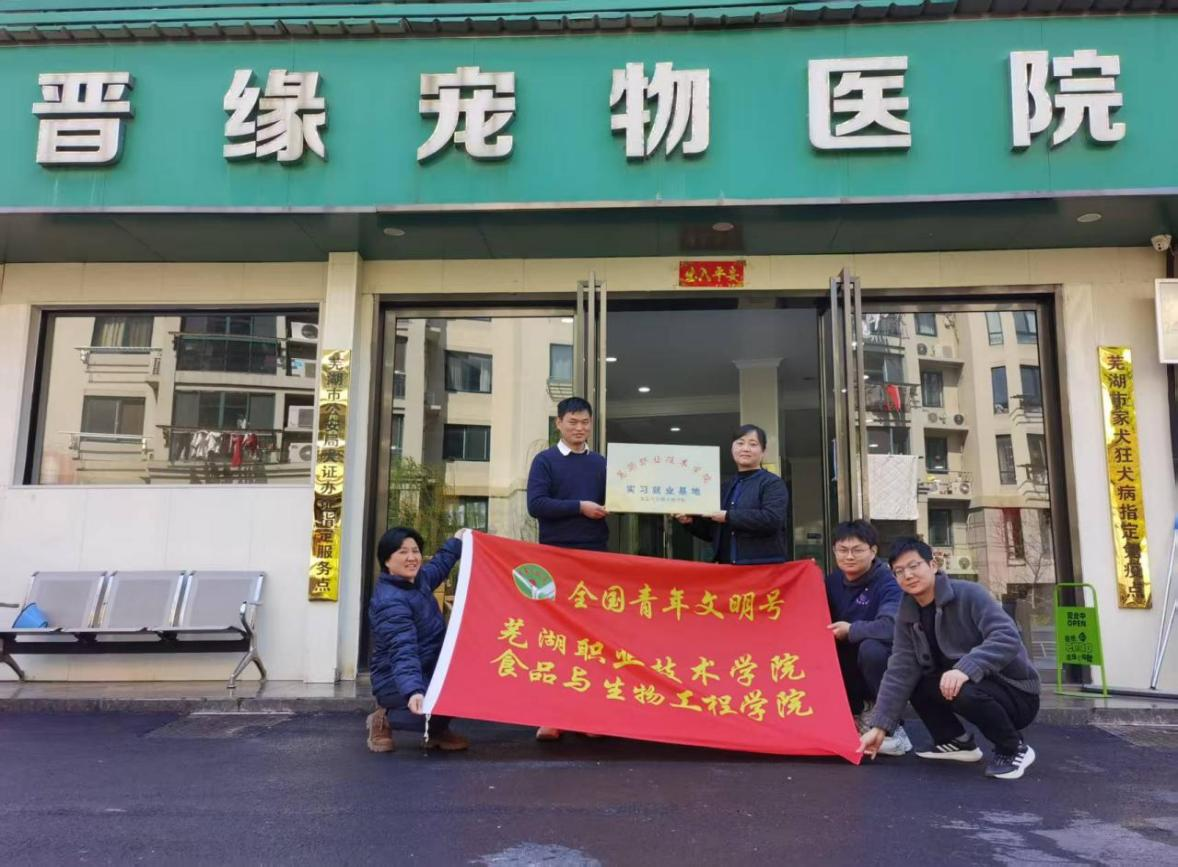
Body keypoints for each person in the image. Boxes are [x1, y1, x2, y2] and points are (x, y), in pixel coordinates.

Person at [859, 538, 1041, 780]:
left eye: (914, 566)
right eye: (899, 571)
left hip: (1015, 692)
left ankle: (1013, 748)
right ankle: (955, 741)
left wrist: (966, 668)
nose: (908, 575)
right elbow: (900, 669)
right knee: (916, 680)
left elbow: (1006, 636)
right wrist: (880, 726)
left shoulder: (970, 594)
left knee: (960, 686)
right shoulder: (907, 612)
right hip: (968, 687)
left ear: (933, 565)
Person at [527, 395, 609, 741]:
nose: (579, 428)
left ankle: (589, 715)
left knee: (591, 639)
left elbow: (621, 498)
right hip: (555, 559)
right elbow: (536, 505)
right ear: (558, 423)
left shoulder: (601, 463)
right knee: (555, 638)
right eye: (572, 422)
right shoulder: (545, 461)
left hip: (595, 559)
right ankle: (552, 715)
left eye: (585, 422)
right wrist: (580, 507)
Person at [366, 526, 470, 753]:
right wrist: (413, 689)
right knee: (418, 709)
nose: (411, 557)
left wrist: (457, 541)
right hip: (396, 678)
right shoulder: (389, 602)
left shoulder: (418, 580)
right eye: (403, 552)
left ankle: (436, 730)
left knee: (465, 684)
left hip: (429, 667)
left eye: (415, 551)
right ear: (386, 560)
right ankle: (383, 716)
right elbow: (403, 650)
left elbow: (440, 565)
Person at [824, 519, 912, 756]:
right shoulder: (831, 582)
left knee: (871, 648)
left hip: (884, 661)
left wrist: (851, 630)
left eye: (857, 550)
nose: (849, 556)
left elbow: (892, 626)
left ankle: (890, 726)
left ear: (873, 551)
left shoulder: (888, 582)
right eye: (842, 550)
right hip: (845, 662)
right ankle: (852, 713)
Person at [675, 424, 788, 565]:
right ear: (732, 448)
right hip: (726, 569)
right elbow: (713, 533)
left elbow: (772, 519)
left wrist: (728, 516)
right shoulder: (725, 487)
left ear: (763, 451)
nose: (745, 448)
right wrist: (690, 522)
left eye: (753, 444)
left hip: (761, 568)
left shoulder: (772, 483)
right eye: (740, 443)